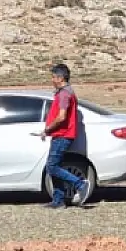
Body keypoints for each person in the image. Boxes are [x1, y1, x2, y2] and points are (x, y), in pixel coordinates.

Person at [39, 62, 89, 209]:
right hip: (61, 135)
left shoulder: (65, 94)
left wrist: (47, 129)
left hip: (62, 135)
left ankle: (80, 184)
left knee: (52, 166)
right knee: (56, 166)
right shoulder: (66, 92)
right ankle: (58, 200)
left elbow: (61, 117)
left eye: (53, 77)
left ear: (60, 78)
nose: (52, 80)